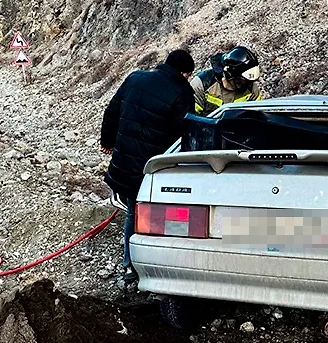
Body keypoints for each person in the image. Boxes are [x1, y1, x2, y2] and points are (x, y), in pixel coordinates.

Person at [100, 50, 196, 272]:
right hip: (153, 170)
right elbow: (184, 135)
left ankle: (130, 266)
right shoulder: (182, 92)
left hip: (123, 164)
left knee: (134, 211)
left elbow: (112, 111)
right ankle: (146, 266)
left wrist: (107, 141)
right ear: (184, 73)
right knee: (152, 216)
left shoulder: (136, 77)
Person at [189, 46, 263, 115]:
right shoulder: (202, 84)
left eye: (250, 82)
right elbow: (190, 117)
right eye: (243, 81)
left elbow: (258, 115)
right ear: (230, 74)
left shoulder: (252, 89)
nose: (248, 85)